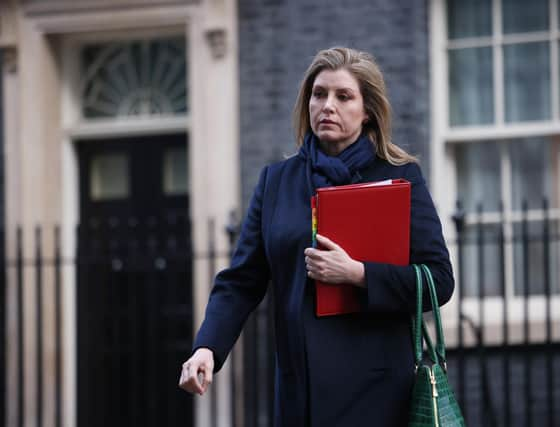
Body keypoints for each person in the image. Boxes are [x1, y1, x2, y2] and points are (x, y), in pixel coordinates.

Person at [179, 46, 454, 427]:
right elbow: (241, 280)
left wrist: (358, 273)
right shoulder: (276, 182)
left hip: (379, 393)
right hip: (300, 391)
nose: (327, 105)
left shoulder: (400, 178)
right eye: (319, 93)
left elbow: (439, 280)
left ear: (368, 111)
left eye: (343, 96)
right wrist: (208, 348)